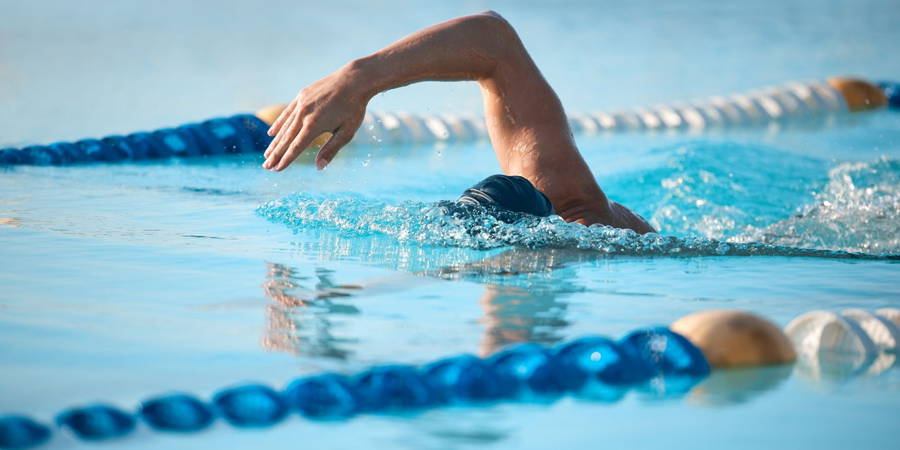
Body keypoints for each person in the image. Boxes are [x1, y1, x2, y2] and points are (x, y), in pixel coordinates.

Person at [262, 11, 654, 234]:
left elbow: (494, 36)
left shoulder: (579, 206)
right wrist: (359, 78)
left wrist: (360, 75)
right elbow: (494, 42)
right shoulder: (551, 182)